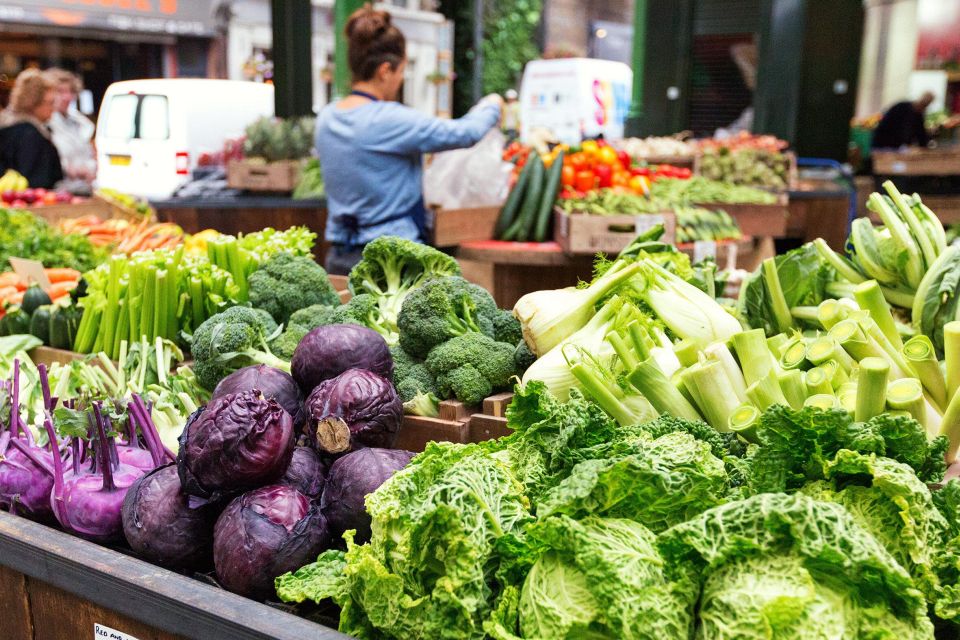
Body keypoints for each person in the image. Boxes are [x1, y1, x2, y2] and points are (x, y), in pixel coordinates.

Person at [316, 7, 502, 275]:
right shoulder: (390, 119)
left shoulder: (327, 117)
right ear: (385, 71)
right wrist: (491, 105)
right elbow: (465, 133)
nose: (401, 79)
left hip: (340, 257)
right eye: (402, 71)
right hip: (394, 261)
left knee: (346, 318)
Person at [0, 69, 63, 189]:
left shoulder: (8, 127)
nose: (53, 109)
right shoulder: (30, 135)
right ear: (33, 102)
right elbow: (36, 181)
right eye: (50, 103)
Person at [46, 68, 96, 187]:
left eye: (71, 92)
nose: (67, 97)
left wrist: (90, 167)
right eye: (61, 91)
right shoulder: (45, 123)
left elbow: (90, 154)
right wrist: (70, 169)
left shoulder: (80, 122)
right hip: (58, 190)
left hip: (84, 187)